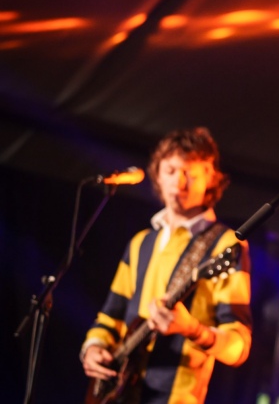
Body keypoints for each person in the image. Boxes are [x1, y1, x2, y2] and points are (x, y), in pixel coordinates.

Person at [81, 127, 252, 403]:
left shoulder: (227, 244)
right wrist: (93, 348)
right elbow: (109, 316)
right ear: (157, 175)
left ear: (210, 178)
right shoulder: (140, 242)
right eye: (171, 171)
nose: (180, 182)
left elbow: (239, 347)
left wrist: (192, 329)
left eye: (191, 174)